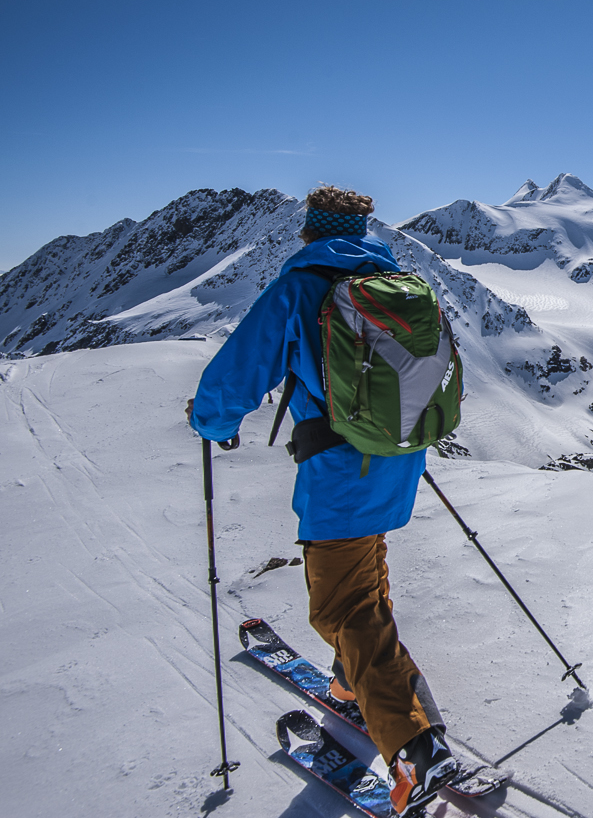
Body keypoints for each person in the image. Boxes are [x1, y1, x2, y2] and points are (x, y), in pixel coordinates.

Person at [188, 185, 460, 815]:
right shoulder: (396, 282)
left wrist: (210, 420)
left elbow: (235, 376)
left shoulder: (301, 287)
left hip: (340, 473)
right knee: (363, 576)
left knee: (341, 607)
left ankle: (418, 749)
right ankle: (347, 685)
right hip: (397, 459)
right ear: (364, 230)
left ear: (312, 231)